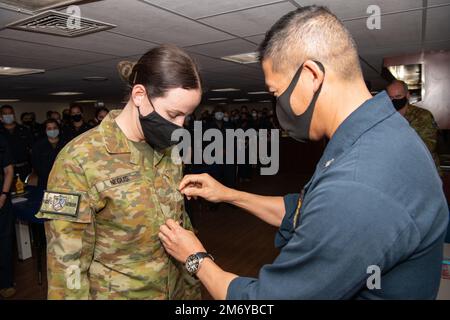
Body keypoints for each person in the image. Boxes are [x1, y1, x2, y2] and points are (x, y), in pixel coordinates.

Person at [158, 6, 448, 300]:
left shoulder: (359, 184)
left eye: (276, 93)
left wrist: (195, 258)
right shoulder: (379, 137)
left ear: (310, 76)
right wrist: (227, 193)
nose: (277, 105)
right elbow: (305, 211)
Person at [36, 44, 202, 300]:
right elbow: (65, 261)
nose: (180, 126)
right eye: (174, 114)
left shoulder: (169, 151)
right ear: (139, 95)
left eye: (186, 117)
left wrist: (192, 290)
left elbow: (180, 222)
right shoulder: (76, 160)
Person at [386, 80, 442, 176]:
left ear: (407, 96)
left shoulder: (422, 116)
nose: (394, 100)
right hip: (399, 172)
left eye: (398, 96)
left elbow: (428, 146)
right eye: (391, 97)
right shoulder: (386, 117)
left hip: (425, 172)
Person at [0, 105, 34, 181]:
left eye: (10, 113)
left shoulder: (24, 130)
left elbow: (32, 150)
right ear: (1, 117)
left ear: (14, 115)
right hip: (4, 170)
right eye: (5, 114)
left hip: (24, 168)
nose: (8, 116)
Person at [31, 119, 66, 190]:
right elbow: (36, 164)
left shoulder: (65, 143)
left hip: (64, 180)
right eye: (49, 128)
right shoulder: (38, 145)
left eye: (55, 128)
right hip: (45, 181)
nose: (52, 130)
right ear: (45, 130)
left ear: (58, 129)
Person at [0, 135, 14, 299]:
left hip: (1, 201)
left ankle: (6, 282)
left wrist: (3, 195)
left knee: (4, 242)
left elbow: (8, 170)